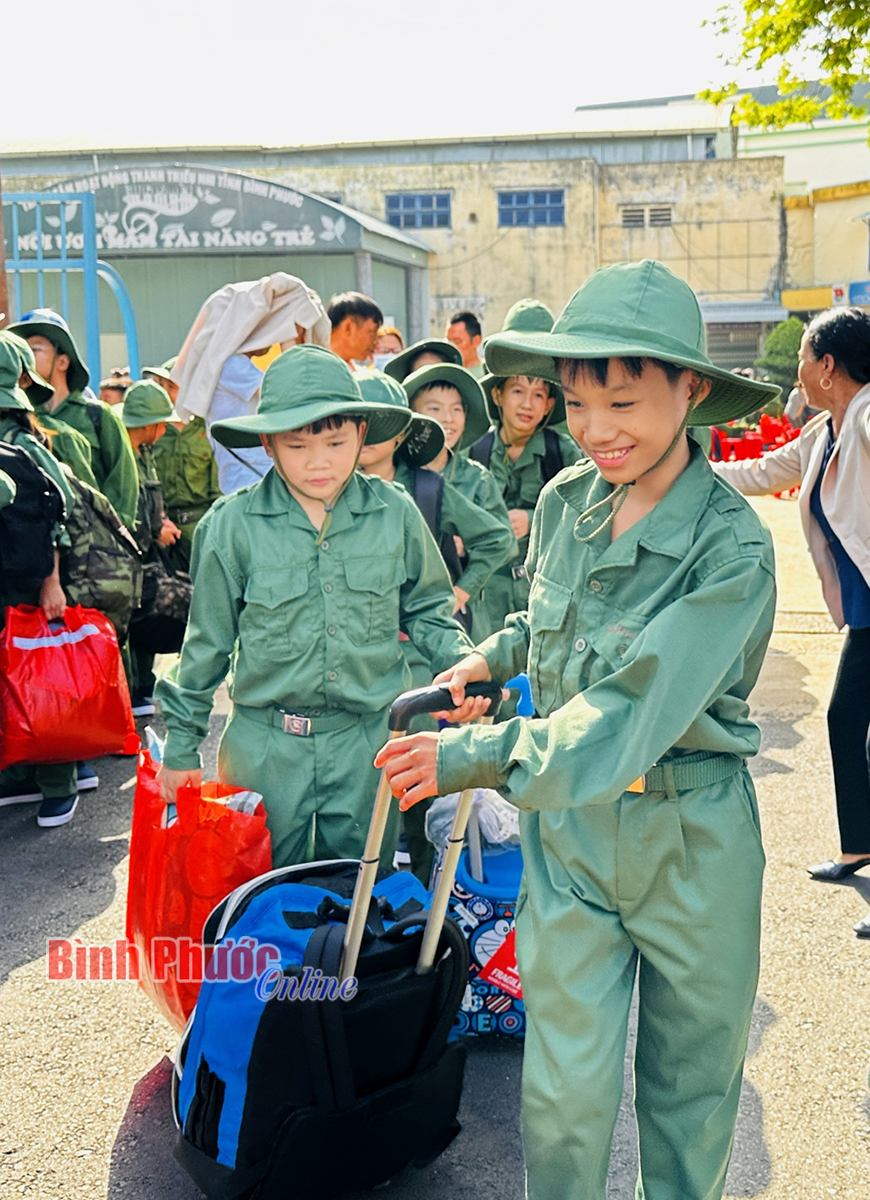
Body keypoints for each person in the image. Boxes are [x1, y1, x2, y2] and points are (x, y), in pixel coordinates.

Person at [376, 261, 781, 1200]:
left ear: (693, 388)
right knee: (561, 1094)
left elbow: (629, 710)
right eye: (576, 403)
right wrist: (495, 658)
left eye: (625, 402)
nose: (596, 431)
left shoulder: (731, 550)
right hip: (571, 838)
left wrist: (472, 756)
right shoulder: (566, 504)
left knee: (689, 1096)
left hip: (690, 839)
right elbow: (551, 620)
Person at [155, 345, 472, 868]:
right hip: (264, 747)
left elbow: (427, 610)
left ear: (362, 436)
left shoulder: (394, 513)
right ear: (268, 443)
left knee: (357, 899)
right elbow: (205, 645)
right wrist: (182, 747)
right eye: (298, 444)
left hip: (367, 744)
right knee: (259, 896)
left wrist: (459, 672)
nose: (319, 460)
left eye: (335, 441)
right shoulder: (230, 527)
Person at [712, 307, 870, 900]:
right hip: (865, 609)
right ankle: (858, 844)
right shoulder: (823, 432)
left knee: (852, 721)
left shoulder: (865, 417)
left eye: (803, 357)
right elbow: (757, 472)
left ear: (827, 365)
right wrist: (677, 470)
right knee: (847, 720)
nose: (798, 370)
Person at [0, 332, 81, 827]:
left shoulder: (25, 440)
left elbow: (60, 510)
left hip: (28, 577)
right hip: (14, 572)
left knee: (43, 679)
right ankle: (20, 775)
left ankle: (59, 781)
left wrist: (52, 580)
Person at [172, 273, 332, 493]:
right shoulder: (231, 365)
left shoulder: (229, 364)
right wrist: (294, 344)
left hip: (249, 472)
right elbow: (287, 392)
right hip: (251, 476)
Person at [465, 344, 581, 633]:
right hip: (485, 596)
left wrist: (534, 519)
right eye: (517, 391)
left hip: (545, 590)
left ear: (549, 406)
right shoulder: (475, 451)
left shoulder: (563, 453)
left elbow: (587, 513)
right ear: (497, 395)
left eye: (538, 395)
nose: (528, 404)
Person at [401, 361, 514, 637]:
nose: (448, 419)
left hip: (464, 615)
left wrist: (462, 591)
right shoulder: (397, 473)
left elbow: (502, 543)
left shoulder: (477, 478)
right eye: (435, 409)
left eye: (456, 409)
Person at [8, 310, 139, 529]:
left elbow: (124, 484)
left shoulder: (97, 415)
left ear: (62, 361)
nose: (26, 358)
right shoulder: (21, 417)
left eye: (35, 349)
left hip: (95, 544)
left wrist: (113, 538)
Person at [120, 381, 184, 714]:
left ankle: (144, 686)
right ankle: (131, 692)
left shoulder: (145, 453)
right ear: (147, 424)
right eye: (161, 422)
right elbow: (125, 508)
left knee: (146, 616)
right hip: (130, 552)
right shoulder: (122, 454)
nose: (165, 429)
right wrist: (153, 532)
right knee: (131, 623)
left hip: (147, 550)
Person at [150, 358, 221, 571]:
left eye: (171, 386)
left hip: (200, 529)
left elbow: (218, 492)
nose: (165, 392)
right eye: (161, 385)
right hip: (161, 531)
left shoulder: (208, 430)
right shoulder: (153, 431)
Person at [327, 292, 383, 368]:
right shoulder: (314, 370)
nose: (376, 342)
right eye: (372, 332)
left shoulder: (359, 374)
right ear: (348, 328)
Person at [446, 310, 484, 377]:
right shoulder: (444, 374)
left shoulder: (487, 373)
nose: (452, 346)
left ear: (476, 341)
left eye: (458, 342)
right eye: (449, 341)